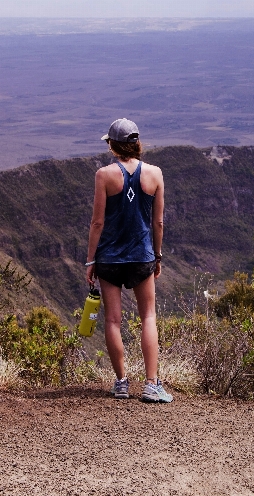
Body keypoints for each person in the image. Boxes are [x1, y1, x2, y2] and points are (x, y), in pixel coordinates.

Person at [85, 118, 172, 403]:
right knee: (148, 316)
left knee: (112, 319)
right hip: (141, 256)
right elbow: (157, 222)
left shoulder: (104, 175)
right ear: (136, 143)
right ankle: (151, 384)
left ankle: (121, 383)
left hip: (109, 257)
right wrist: (157, 256)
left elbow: (97, 223)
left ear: (112, 145)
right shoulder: (156, 174)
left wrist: (90, 261)